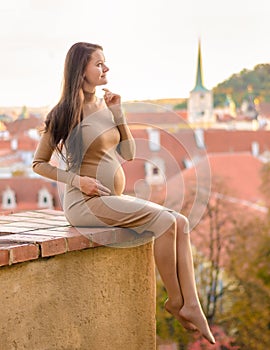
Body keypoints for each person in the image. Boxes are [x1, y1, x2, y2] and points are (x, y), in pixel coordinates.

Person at [32, 42, 215, 345]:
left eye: (105, 63)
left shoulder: (106, 108)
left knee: (180, 221)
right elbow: (39, 164)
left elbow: (128, 154)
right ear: (81, 71)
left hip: (107, 199)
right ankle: (177, 301)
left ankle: (188, 304)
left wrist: (119, 114)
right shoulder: (63, 113)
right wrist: (78, 182)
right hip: (85, 203)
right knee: (165, 223)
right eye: (99, 64)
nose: (106, 69)